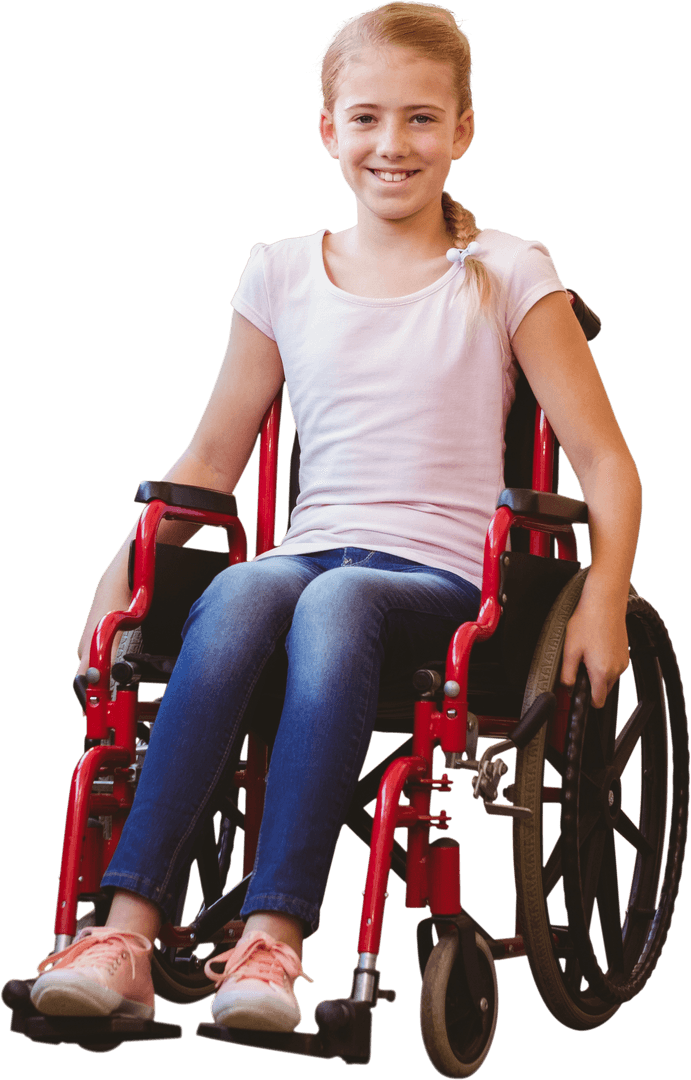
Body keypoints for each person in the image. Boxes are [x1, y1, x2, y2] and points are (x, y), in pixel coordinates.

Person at [27, 1, 641, 1035]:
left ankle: (272, 943)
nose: (390, 146)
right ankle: (126, 932)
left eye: (419, 119)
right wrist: (120, 572)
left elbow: (604, 461)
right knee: (246, 580)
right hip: (310, 559)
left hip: (446, 586)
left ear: (463, 129)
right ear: (327, 129)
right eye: (365, 119)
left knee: (337, 599)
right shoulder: (277, 272)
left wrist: (607, 596)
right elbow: (210, 461)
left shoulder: (505, 269)